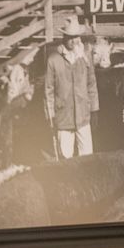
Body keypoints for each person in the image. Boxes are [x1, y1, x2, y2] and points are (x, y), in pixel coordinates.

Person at [44, 18, 99, 160]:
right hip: (63, 117)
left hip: (83, 116)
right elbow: (48, 91)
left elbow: (91, 85)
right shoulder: (54, 59)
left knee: (87, 158)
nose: (73, 41)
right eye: (70, 37)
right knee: (65, 159)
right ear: (64, 38)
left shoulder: (85, 58)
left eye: (76, 37)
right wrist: (50, 116)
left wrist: (94, 111)